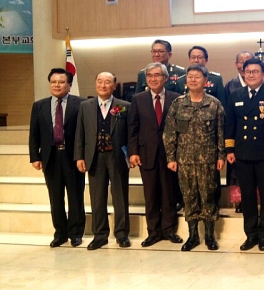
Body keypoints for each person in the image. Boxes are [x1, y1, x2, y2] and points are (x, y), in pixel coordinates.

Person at [225, 58, 264, 252]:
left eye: (255, 71)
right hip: (242, 153)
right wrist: (229, 149)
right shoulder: (235, 95)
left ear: (263, 74)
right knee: (248, 195)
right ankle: (250, 233)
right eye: (248, 71)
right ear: (243, 73)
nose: (251, 75)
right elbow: (230, 124)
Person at [164, 65, 226, 251]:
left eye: (197, 77)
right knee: (189, 197)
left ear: (205, 80)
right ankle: (193, 236)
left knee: (208, 197)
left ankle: (209, 235)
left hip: (208, 160)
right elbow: (169, 133)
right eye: (189, 77)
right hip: (184, 161)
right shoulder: (178, 104)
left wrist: (221, 155)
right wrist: (171, 158)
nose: (192, 80)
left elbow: (221, 133)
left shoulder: (214, 104)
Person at [29, 68, 86, 248]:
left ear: (69, 85)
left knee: (76, 196)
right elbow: (34, 134)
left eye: (61, 82)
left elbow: (84, 133)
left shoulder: (81, 104)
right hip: (50, 157)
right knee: (55, 197)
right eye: (53, 82)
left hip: (73, 157)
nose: (57, 85)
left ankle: (76, 233)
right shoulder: (39, 106)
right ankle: (60, 233)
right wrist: (35, 157)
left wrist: (81, 156)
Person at [128, 63, 183, 248]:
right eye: (149, 75)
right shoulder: (138, 99)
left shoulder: (176, 99)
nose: (153, 78)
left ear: (165, 78)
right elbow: (133, 128)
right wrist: (133, 152)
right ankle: (153, 232)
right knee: (150, 194)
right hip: (146, 153)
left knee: (169, 193)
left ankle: (169, 230)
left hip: (170, 155)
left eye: (157, 75)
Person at [75, 72, 131, 250]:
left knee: (120, 197)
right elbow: (80, 133)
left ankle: (122, 234)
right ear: (95, 84)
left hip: (117, 157)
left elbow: (130, 134)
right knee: (97, 197)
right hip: (94, 156)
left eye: (108, 82)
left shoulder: (124, 106)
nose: (103, 85)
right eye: (100, 81)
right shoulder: (85, 106)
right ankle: (100, 235)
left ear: (114, 85)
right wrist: (79, 156)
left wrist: (131, 155)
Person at [176, 46, 226, 207]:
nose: (196, 60)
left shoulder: (215, 80)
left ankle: (211, 219)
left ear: (206, 60)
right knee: (188, 190)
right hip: (186, 151)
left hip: (208, 145)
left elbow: (220, 119)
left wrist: (221, 153)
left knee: (210, 187)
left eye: (200, 57)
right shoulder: (180, 81)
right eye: (193, 57)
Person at [224, 50, 254, 213]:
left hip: (257, 140)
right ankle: (240, 201)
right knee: (236, 171)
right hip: (237, 137)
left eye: (247, 61)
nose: (244, 65)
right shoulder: (230, 85)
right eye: (241, 62)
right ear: (237, 65)